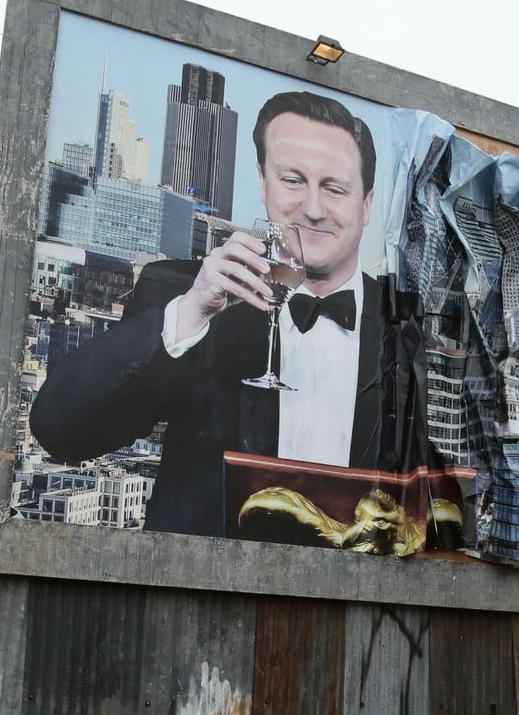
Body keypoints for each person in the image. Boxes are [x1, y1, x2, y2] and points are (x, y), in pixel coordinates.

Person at [31, 91, 421, 538]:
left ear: (367, 203)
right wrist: (193, 311)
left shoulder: (402, 325)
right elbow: (61, 432)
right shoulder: (183, 291)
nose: (312, 209)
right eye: (292, 180)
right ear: (262, 181)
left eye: (334, 189)